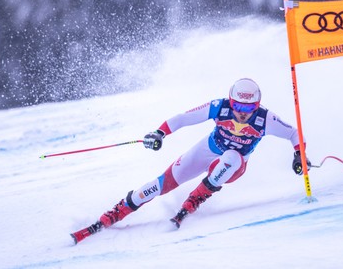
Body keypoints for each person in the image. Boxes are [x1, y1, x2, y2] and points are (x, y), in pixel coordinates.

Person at [74, 78, 309, 242]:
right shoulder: (220, 107)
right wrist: (160, 133)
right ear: (231, 101)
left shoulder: (265, 119)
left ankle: (193, 201)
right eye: (237, 105)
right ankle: (116, 212)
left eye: (248, 107)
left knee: (230, 157)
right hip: (207, 149)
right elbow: (184, 118)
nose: (242, 112)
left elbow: (293, 132)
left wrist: (299, 154)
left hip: (235, 164)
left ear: (257, 106)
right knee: (161, 184)